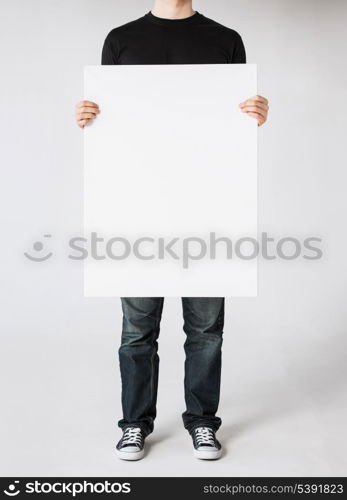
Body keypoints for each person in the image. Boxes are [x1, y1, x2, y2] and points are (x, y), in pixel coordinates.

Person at [75, 0, 269, 461]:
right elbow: (117, 126)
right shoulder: (120, 40)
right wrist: (91, 117)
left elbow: (230, 126)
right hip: (138, 206)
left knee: (206, 329)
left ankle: (202, 422)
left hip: (209, 206)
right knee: (137, 330)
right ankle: (133, 424)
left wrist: (255, 114)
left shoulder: (226, 40)